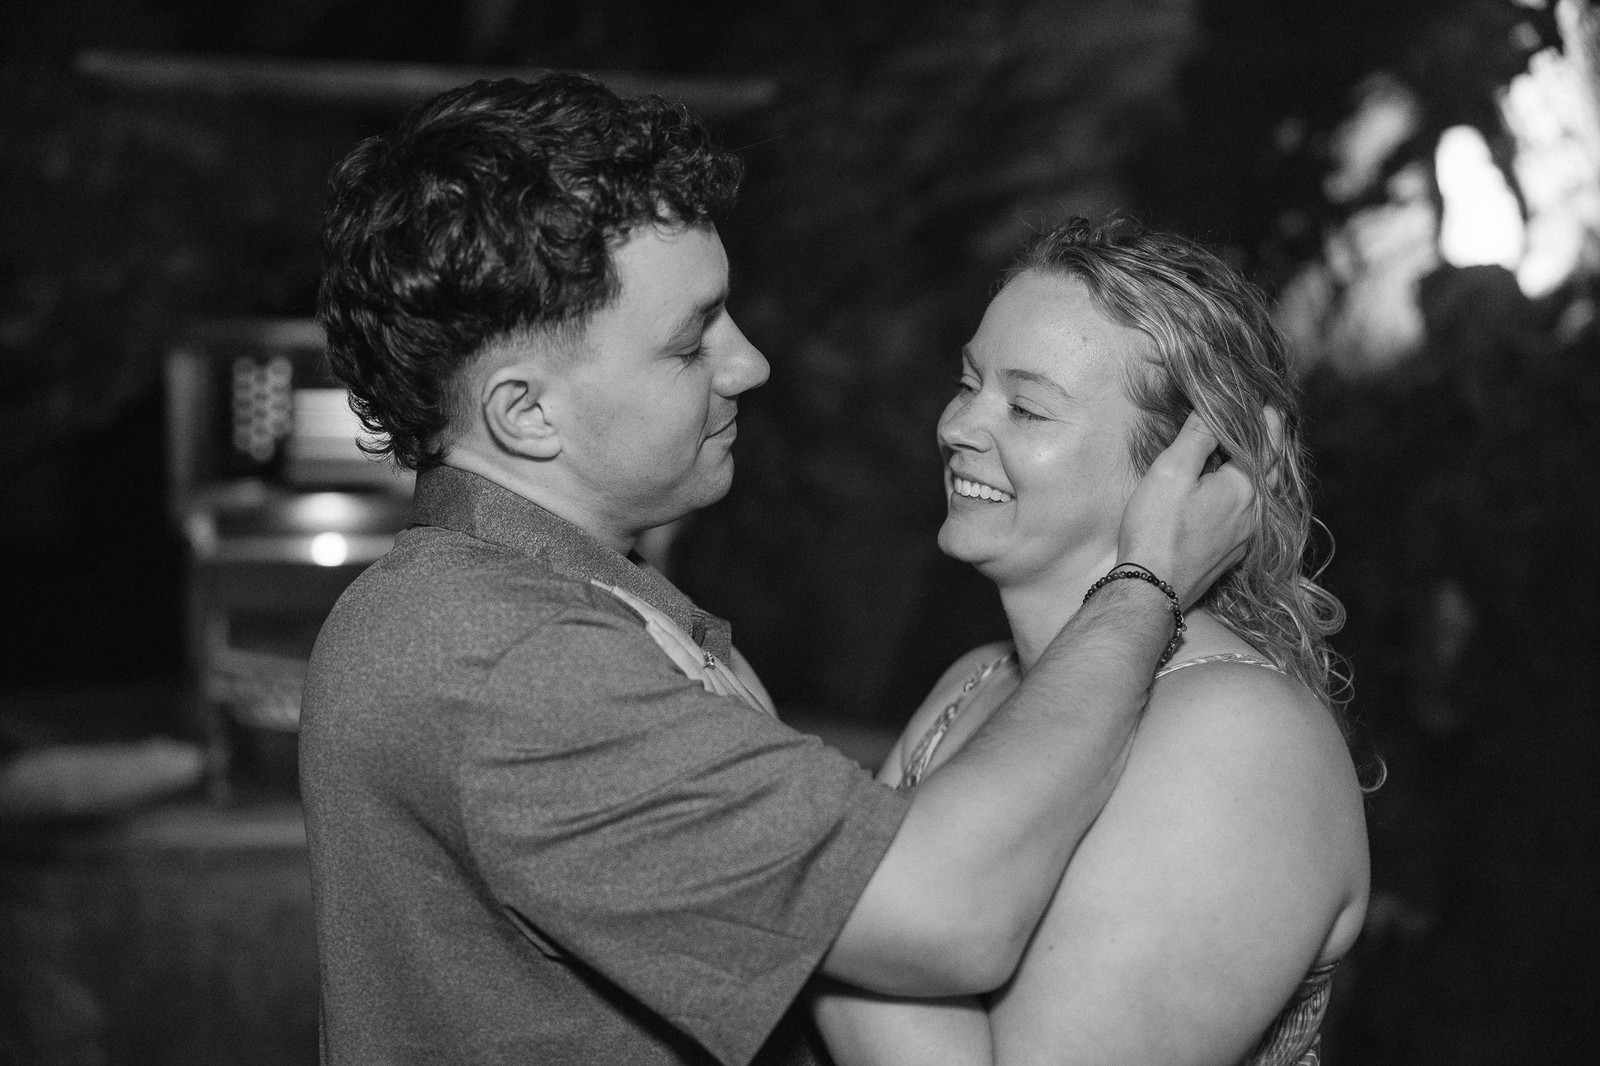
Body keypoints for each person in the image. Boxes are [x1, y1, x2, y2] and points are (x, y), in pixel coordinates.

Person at [298, 74, 1253, 1066]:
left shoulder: (555, 604)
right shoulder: (501, 657)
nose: (748, 362)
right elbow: (945, 912)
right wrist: (1143, 586)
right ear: (525, 413)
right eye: (689, 343)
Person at [807, 217, 1372, 1066]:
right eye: (968, 383)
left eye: (1026, 407)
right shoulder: (973, 683)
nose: (957, 426)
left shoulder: (1238, 735)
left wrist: (806, 885)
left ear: (1183, 469)